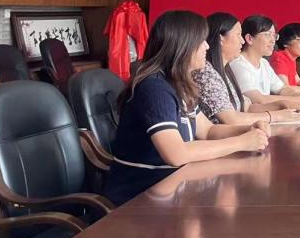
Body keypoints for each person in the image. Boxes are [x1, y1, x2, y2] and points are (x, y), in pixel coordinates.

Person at [103, 10, 270, 206]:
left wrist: (247, 130)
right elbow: (177, 154)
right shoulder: (154, 88)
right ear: (183, 45)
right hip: (140, 198)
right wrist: (241, 143)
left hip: (173, 188)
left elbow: (207, 130)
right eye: (201, 41)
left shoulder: (178, 84)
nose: (207, 46)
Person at [194, 12, 300, 127]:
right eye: (238, 35)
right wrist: (275, 116)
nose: (242, 41)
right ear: (221, 38)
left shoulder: (226, 69)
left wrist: (283, 105)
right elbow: (232, 119)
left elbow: (247, 107)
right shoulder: (207, 73)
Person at [228, 15, 300, 112]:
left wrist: (299, 98)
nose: (273, 41)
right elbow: (258, 100)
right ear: (249, 38)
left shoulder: (264, 63)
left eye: (274, 35)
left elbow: (282, 89)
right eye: (267, 35)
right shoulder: (238, 64)